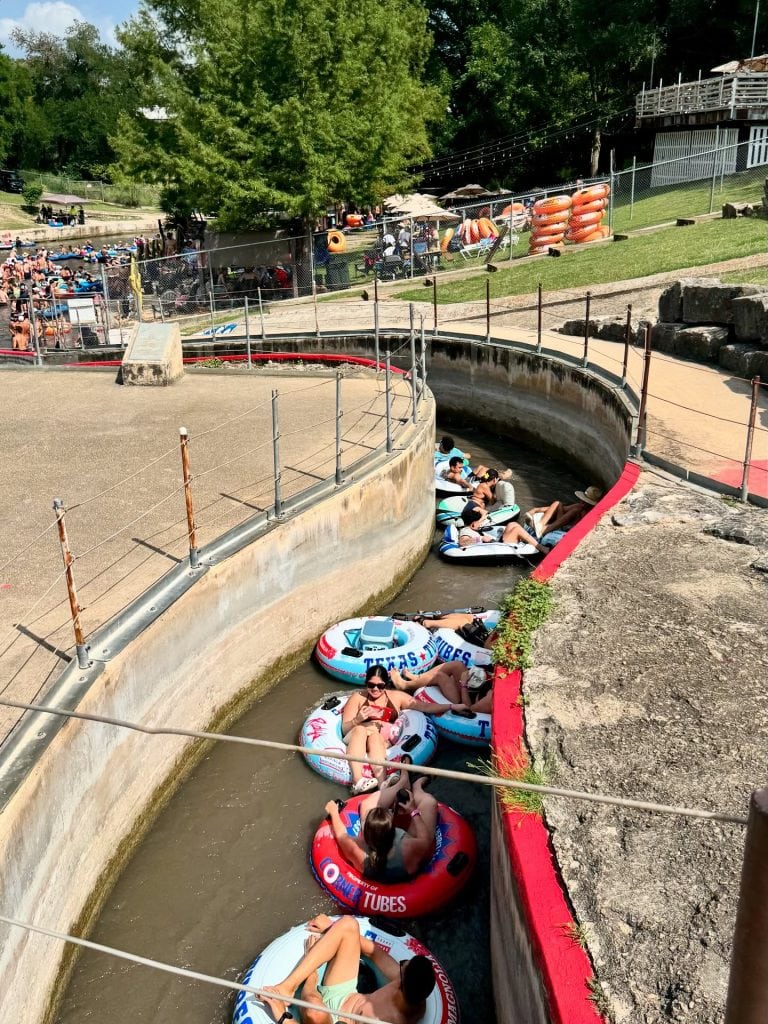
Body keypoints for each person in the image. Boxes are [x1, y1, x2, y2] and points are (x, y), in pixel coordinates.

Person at [262, 914, 436, 1024]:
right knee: (348, 924)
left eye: (403, 966)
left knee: (315, 1011)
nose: (401, 964)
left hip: (331, 1020)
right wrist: (332, 929)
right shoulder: (411, 990)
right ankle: (288, 987)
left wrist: (282, 1018)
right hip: (344, 993)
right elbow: (374, 953)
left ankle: (311, 978)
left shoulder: (390, 1021)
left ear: (402, 984)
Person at [343, 664, 465, 795]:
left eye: (380, 686)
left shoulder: (396, 697)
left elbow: (425, 707)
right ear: (366, 683)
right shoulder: (358, 698)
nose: (375, 689)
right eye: (371, 685)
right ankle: (357, 781)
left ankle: (382, 783)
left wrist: (452, 706)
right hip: (357, 737)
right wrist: (358, 719)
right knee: (361, 730)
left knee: (375, 737)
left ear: (386, 684)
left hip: (380, 742)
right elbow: (345, 729)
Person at [324, 755, 437, 882]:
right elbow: (425, 839)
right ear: (393, 831)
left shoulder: (356, 849)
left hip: (378, 851)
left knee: (367, 805)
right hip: (404, 859)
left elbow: (341, 835)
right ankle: (416, 786)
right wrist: (413, 811)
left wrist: (334, 812)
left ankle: (402, 782)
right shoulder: (409, 847)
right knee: (429, 803)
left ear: (365, 833)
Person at [391, 660, 493, 712]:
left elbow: (469, 708)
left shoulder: (492, 698)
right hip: (473, 689)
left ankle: (404, 685)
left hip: (464, 700)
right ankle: (418, 678)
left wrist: (464, 685)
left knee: (440, 676)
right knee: (457, 665)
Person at [458, 507, 549, 554]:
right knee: (516, 529)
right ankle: (541, 548)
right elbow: (462, 542)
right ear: (473, 524)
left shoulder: (472, 527)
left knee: (512, 524)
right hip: (499, 548)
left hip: (497, 543)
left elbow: (483, 515)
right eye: (479, 522)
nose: (481, 523)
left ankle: (532, 539)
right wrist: (480, 538)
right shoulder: (465, 531)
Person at [524, 486, 603, 539]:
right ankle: (541, 524)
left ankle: (545, 529)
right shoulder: (578, 505)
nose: (582, 502)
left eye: (585, 502)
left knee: (575, 510)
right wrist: (536, 509)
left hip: (568, 530)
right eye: (583, 500)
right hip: (561, 525)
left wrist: (580, 513)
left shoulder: (590, 513)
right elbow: (560, 509)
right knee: (558, 503)